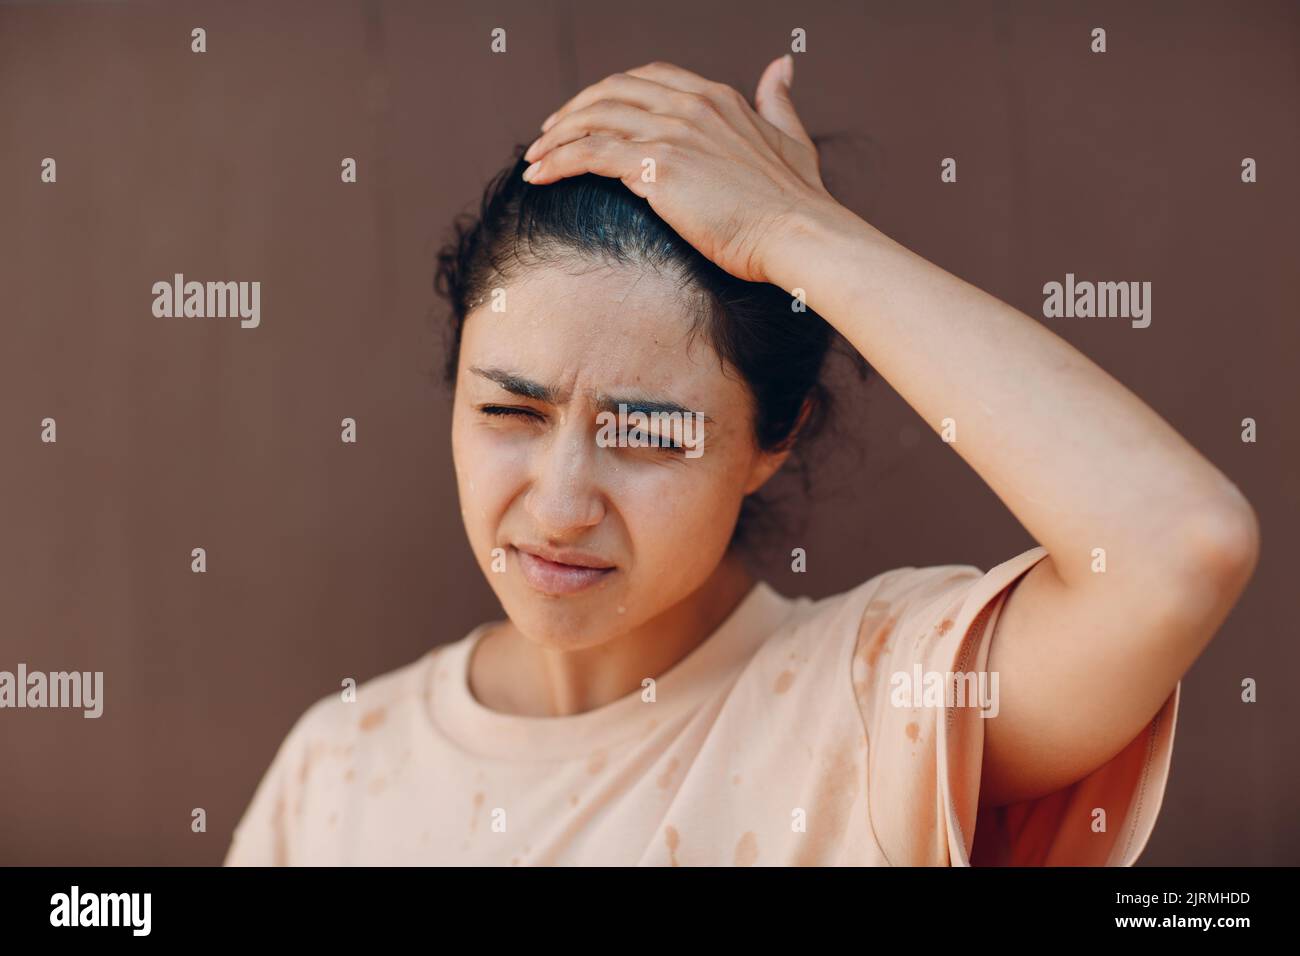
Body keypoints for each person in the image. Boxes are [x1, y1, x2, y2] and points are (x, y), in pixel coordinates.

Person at [223, 55, 1258, 866]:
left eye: (648, 431)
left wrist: (796, 232)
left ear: (776, 437)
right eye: (510, 409)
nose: (562, 498)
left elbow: (1178, 544)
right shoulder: (339, 762)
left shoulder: (869, 703)